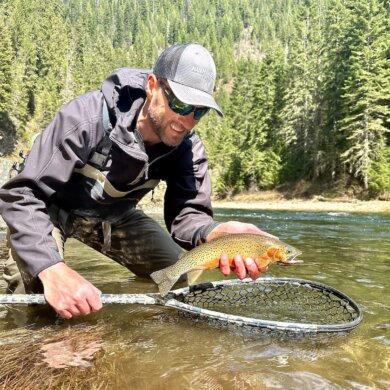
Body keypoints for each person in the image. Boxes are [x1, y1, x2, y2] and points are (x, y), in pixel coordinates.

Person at [0, 43, 273, 319]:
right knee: (37, 289)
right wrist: (51, 268)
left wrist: (214, 233)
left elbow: (188, 217)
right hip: (48, 209)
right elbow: (22, 193)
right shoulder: (88, 118)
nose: (187, 120)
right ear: (152, 85)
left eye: (199, 111)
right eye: (179, 103)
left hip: (113, 216)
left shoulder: (188, 149)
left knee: (175, 274)